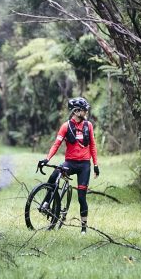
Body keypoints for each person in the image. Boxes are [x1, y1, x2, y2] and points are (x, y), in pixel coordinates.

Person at [39, 97, 100, 233]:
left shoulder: (88, 126)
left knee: (81, 197)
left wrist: (95, 165)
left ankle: (83, 229)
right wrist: (47, 159)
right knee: (54, 176)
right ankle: (46, 203)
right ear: (76, 111)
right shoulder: (65, 126)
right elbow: (56, 144)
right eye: (84, 110)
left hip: (84, 165)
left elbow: (93, 146)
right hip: (70, 163)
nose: (86, 112)